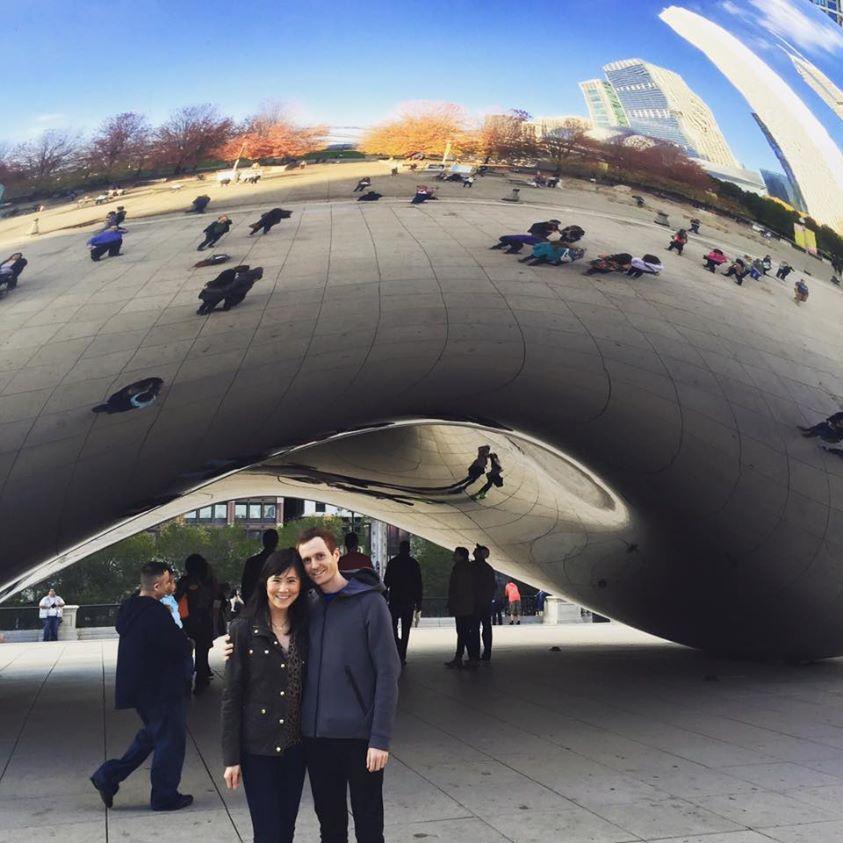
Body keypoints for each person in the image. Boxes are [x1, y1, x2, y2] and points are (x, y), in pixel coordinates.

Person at [292, 527, 400, 842]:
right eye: (307, 560)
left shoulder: (371, 604)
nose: (314, 565)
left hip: (360, 738)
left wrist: (380, 737)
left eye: (320, 556)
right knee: (331, 827)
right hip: (316, 738)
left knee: (368, 825)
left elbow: (387, 672)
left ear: (336, 555)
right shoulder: (306, 605)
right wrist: (236, 643)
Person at [90, 562, 193, 812]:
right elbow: (177, 645)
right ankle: (164, 796)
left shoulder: (131, 608)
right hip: (160, 688)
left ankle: (108, 776)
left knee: (153, 735)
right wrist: (188, 642)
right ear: (157, 586)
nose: (172, 586)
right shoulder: (155, 613)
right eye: (169, 582)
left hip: (143, 688)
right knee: (171, 741)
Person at [222, 549, 310, 843]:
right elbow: (232, 697)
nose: (283, 589)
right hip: (258, 749)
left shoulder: (307, 628)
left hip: (296, 747)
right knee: (268, 832)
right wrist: (231, 758)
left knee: (286, 829)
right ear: (264, 582)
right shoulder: (243, 629)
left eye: (292, 581)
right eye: (277, 580)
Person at [176, 554, 218, 695]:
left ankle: (185, 683)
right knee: (202, 653)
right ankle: (201, 681)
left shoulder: (184, 581)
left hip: (186, 621)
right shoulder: (209, 583)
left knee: (185, 654)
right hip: (205, 621)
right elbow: (218, 600)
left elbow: (175, 598)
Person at [383, 540, 423, 666]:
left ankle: (398, 645)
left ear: (399, 549)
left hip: (395, 599)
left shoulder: (393, 563)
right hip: (408, 600)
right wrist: (419, 601)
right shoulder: (414, 564)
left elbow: (386, 582)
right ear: (409, 550)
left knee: (392, 627)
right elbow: (418, 584)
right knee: (406, 629)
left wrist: (384, 598)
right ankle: (402, 655)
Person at [444, 547, 479, 670]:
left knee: (463, 632)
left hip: (462, 606)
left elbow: (458, 588)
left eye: (456, 554)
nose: (453, 556)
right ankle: (464, 657)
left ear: (461, 556)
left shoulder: (461, 569)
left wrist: (453, 602)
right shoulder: (467, 568)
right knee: (463, 632)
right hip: (466, 605)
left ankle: (469, 658)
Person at [241, 529, 280, 604]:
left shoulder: (252, 562)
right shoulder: (283, 562)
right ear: (277, 542)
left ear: (263, 542)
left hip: (256, 604)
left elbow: (245, 587)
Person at [472, 546, 496, 663]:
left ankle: (475, 654)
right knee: (487, 627)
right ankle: (487, 652)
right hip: (485, 603)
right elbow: (493, 586)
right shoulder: (488, 569)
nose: (473, 552)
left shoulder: (473, 568)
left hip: (475, 602)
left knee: (474, 628)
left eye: (476, 551)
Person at [92, 377, 163, 413]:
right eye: (160, 387)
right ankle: (106, 408)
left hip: (127, 399)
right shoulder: (148, 394)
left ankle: (107, 407)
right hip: (128, 401)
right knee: (115, 406)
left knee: (115, 404)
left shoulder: (145, 388)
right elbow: (138, 400)